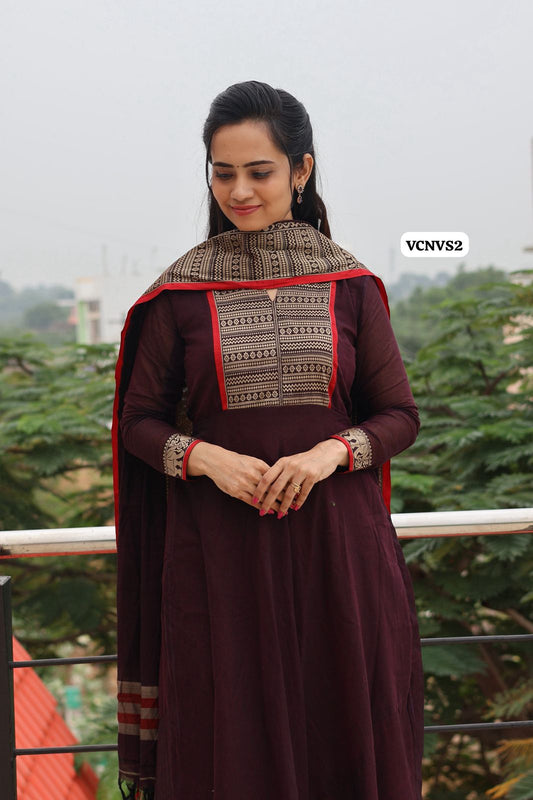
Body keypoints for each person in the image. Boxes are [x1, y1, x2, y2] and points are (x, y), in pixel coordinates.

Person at [113, 80, 424, 800]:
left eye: (259, 171)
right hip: (218, 555)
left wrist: (328, 454)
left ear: (300, 170)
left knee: (339, 729)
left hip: (337, 554)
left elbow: (399, 415)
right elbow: (137, 421)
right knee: (230, 738)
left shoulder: (349, 285)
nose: (239, 191)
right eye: (223, 173)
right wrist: (204, 459)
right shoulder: (180, 294)